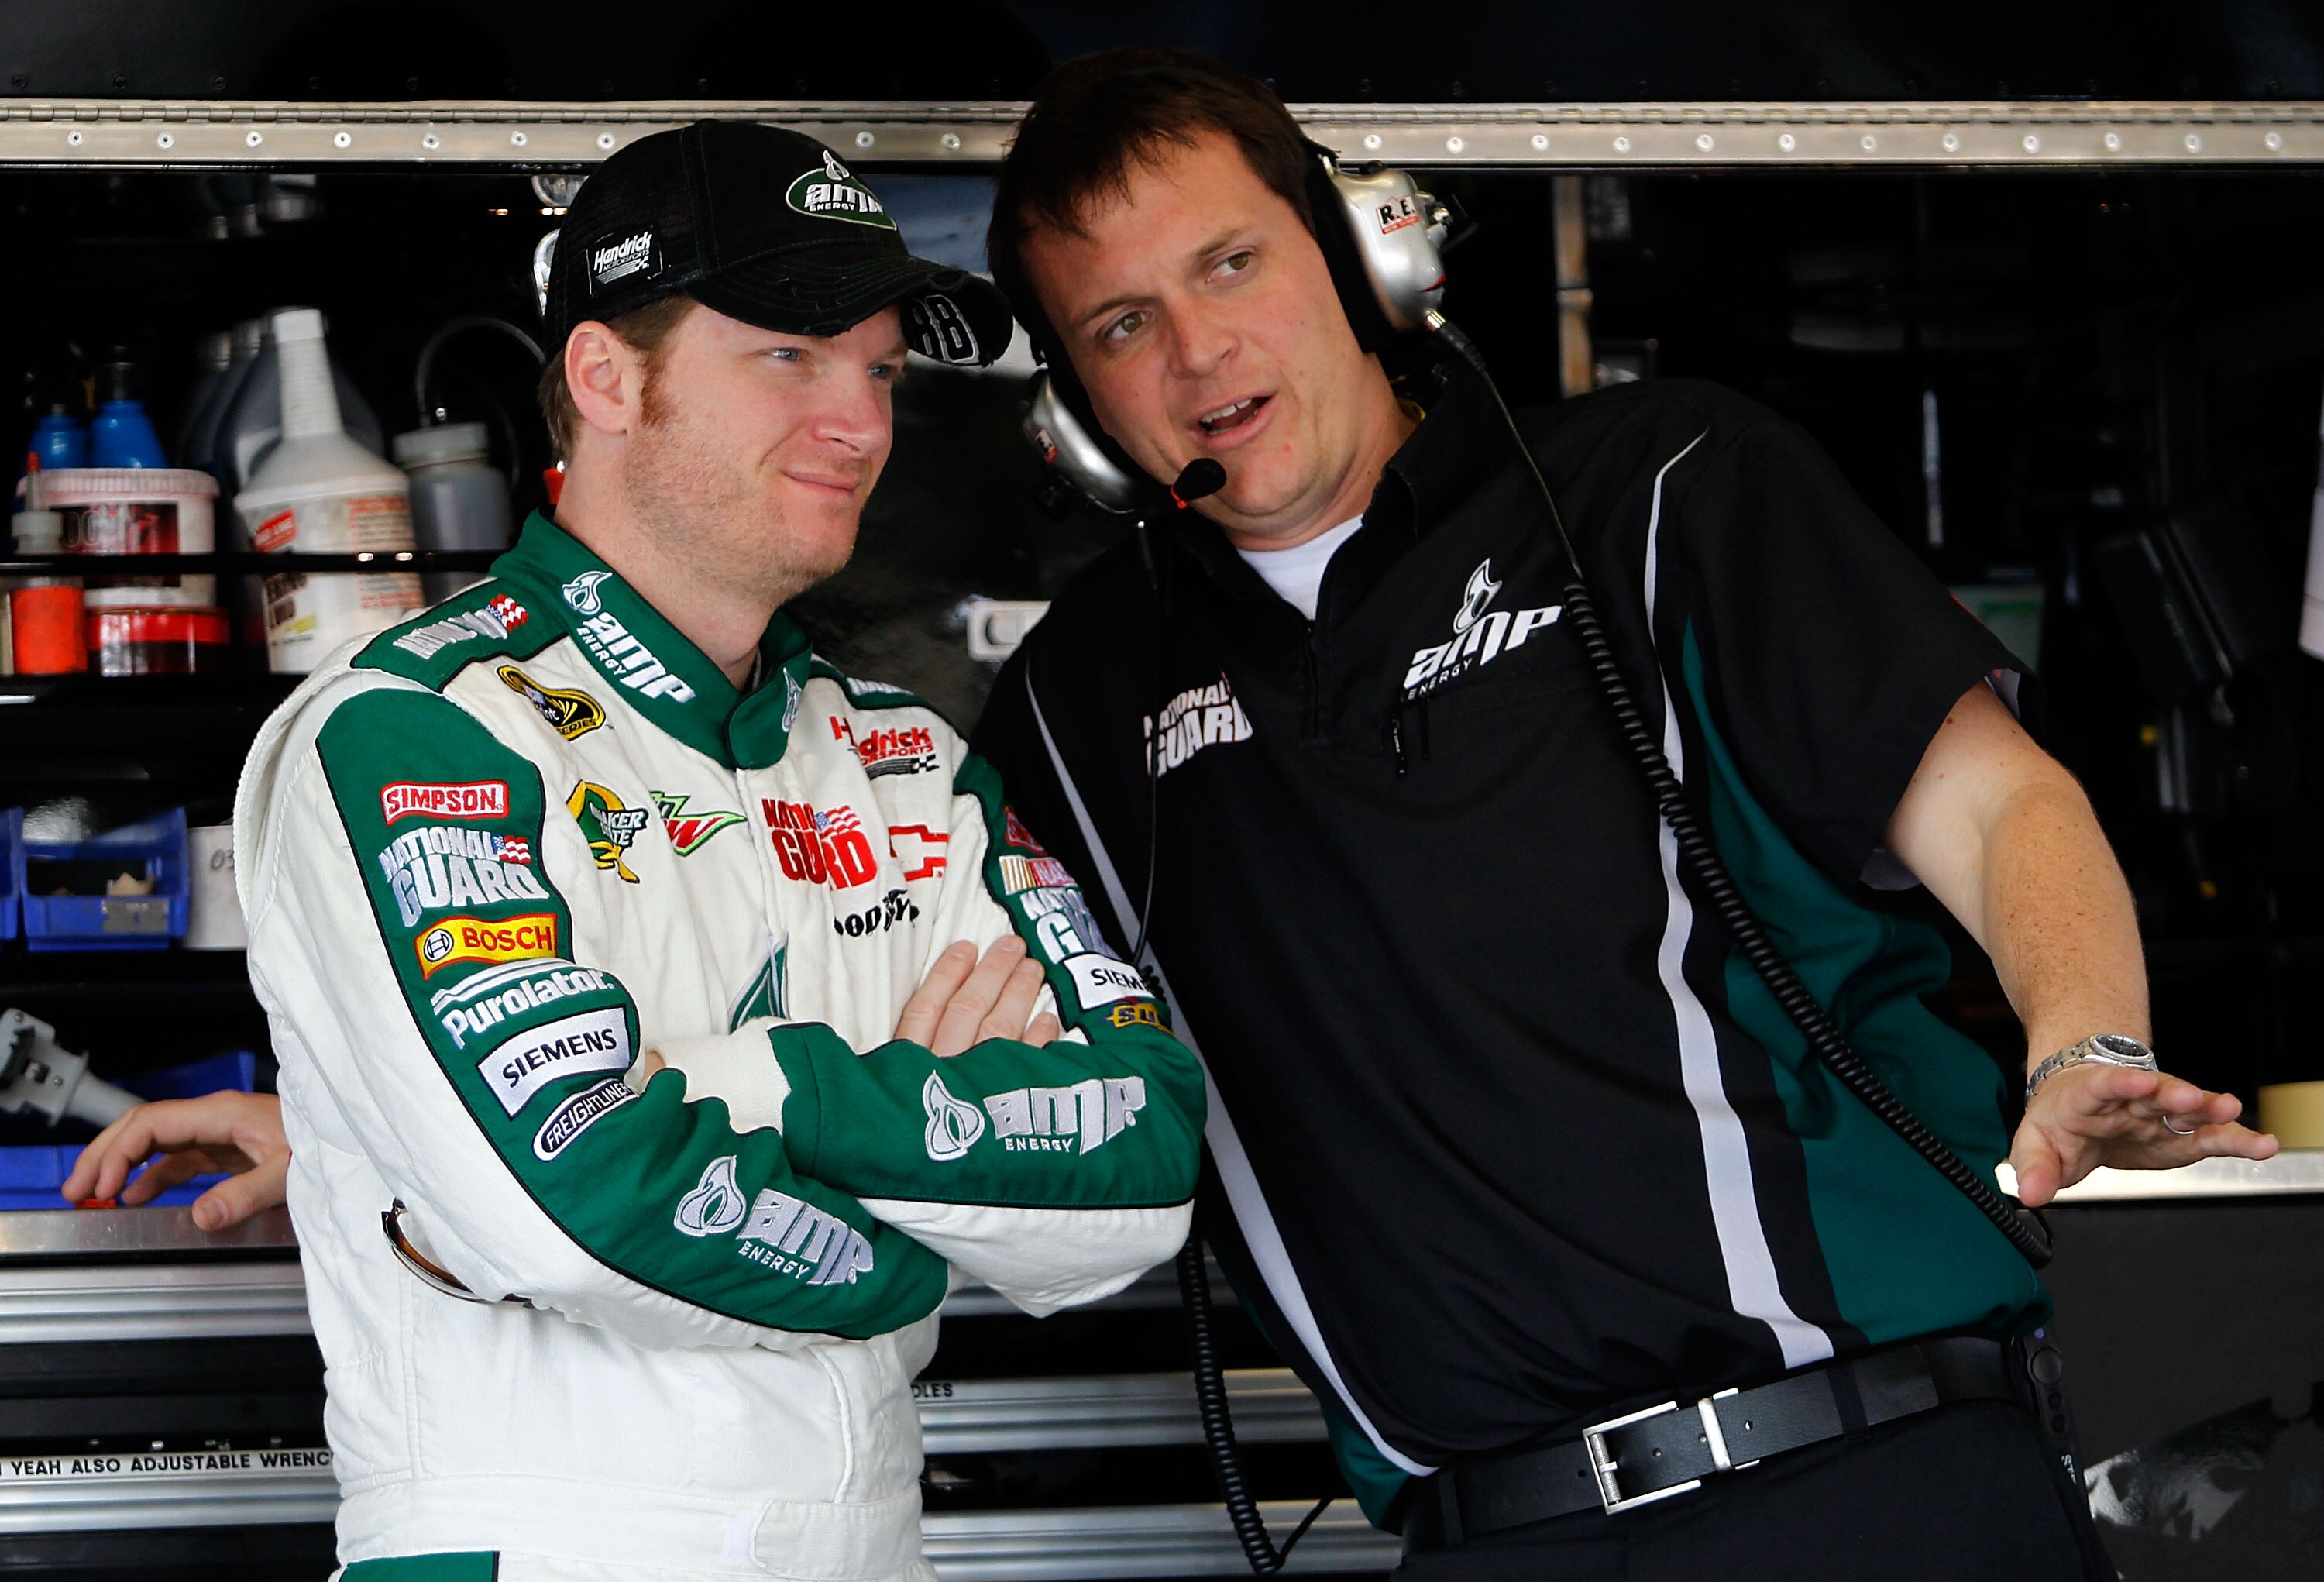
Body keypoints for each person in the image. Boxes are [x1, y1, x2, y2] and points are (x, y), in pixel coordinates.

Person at [959, 50, 2279, 1580]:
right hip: (1491, 1537)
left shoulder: (1665, 486)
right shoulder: (1073, 706)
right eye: (1123, 324)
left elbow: (1998, 806)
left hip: (1876, 1477)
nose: (1200, 352)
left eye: (1232, 263)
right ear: (1074, 402)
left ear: (1352, 254)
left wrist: (2086, 1043)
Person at [125, 119, 1205, 1582]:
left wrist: (762, 1089)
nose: (860, 425)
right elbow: (574, 1208)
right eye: (790, 357)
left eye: (881, 370)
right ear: (605, 377)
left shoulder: (907, 758)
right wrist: (922, 1221)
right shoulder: (414, 731)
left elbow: (1144, 1156)